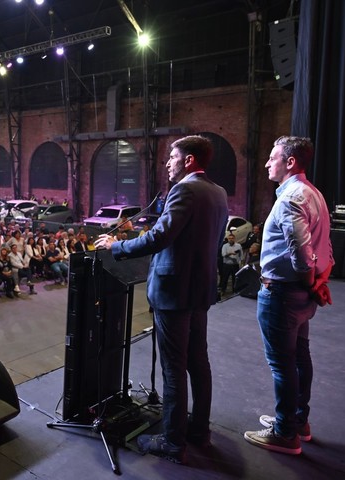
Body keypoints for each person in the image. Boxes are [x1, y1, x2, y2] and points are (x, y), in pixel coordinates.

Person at [95, 135, 228, 464]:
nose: (167, 162)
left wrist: (117, 246)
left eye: (172, 156)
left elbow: (161, 236)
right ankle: (199, 431)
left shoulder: (184, 189)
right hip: (200, 290)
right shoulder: (218, 192)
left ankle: (172, 442)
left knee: (174, 368)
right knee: (199, 363)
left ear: (189, 161)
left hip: (174, 292)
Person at [243, 136, 333, 455]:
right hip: (300, 296)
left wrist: (311, 282)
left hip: (282, 294)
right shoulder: (315, 195)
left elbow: (301, 254)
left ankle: (284, 434)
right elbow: (326, 250)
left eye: (272, 157)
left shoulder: (291, 198)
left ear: (290, 162)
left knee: (283, 365)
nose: (268, 163)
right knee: (299, 358)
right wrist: (319, 282)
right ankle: (297, 422)